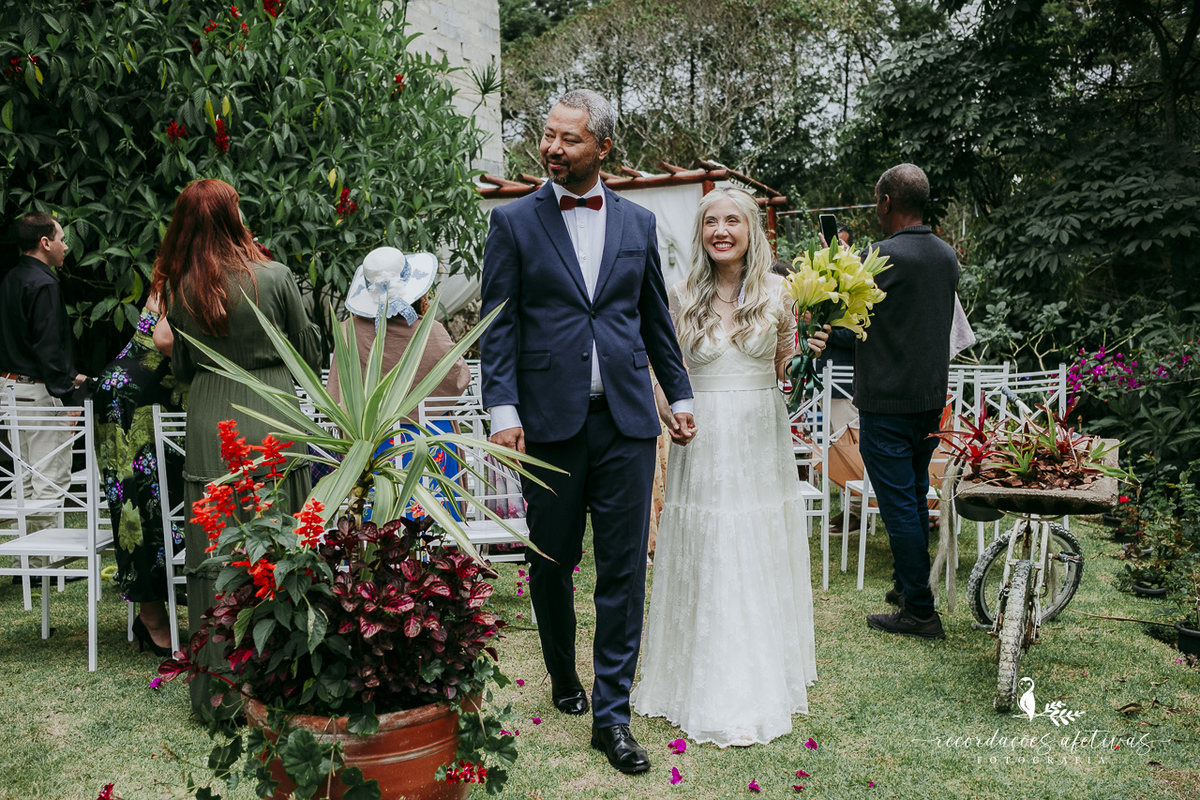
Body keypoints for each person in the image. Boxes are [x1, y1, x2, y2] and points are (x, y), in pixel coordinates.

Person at [480, 89, 694, 775]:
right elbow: (498, 325)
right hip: (548, 424)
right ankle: (561, 673)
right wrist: (503, 411)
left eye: (569, 139)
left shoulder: (637, 223)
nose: (552, 148)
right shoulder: (514, 222)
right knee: (551, 560)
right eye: (548, 136)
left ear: (603, 147)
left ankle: (612, 715)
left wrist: (679, 395)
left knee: (624, 571)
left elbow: (654, 319)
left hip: (628, 422)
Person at [631, 186, 827, 747]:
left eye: (732, 221)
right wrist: (669, 409)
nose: (721, 231)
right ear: (701, 233)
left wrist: (813, 346)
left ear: (750, 231)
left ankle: (763, 667)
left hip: (759, 438)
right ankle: (697, 672)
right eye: (711, 222)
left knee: (755, 539)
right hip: (703, 437)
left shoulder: (779, 292)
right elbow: (660, 363)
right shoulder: (680, 292)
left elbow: (790, 369)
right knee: (710, 539)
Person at [151, 178, 322, 713]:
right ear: (233, 215)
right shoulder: (274, 277)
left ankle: (223, 694)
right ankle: (288, 686)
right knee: (283, 539)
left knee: (218, 550)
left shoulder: (179, 287)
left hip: (209, 415)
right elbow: (309, 355)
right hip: (271, 408)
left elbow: (180, 367)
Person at [856, 164, 958, 640]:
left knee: (897, 505)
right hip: (928, 400)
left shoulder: (879, 256)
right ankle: (907, 584)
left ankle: (920, 610)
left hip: (888, 402)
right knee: (914, 496)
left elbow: (851, 323)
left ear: (886, 202)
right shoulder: (946, 256)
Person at [326, 246, 470, 519]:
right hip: (429, 436)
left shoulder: (349, 333)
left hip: (371, 442)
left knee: (378, 518)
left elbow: (337, 395)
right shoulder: (430, 331)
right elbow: (459, 378)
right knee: (435, 520)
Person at [92, 292, 188, 656]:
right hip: (132, 398)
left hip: (155, 393)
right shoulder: (187, 265)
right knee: (135, 509)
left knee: (169, 503)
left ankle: (162, 602)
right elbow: (164, 338)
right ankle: (151, 617)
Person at [0, 213, 88, 535]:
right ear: (45, 242)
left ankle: (25, 563)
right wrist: (69, 398)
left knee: (23, 478)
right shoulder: (45, 283)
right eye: (62, 239)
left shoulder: (10, 279)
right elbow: (48, 349)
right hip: (39, 395)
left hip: (8, 390)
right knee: (49, 478)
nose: (66, 246)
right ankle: (43, 568)